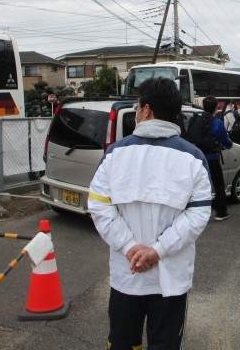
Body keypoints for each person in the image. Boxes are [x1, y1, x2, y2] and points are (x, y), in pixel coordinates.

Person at [88, 77, 212, 350]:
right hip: (171, 277)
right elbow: (198, 214)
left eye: (136, 107)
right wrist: (157, 251)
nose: (136, 112)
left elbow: (98, 205)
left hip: (127, 273)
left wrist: (130, 248)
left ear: (146, 110)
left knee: (122, 342)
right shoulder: (194, 158)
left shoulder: (115, 153)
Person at [201, 95, 234, 221]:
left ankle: (197, 212)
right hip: (211, 158)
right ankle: (221, 212)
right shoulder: (216, 122)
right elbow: (225, 141)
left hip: (197, 158)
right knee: (218, 185)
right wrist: (229, 145)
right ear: (216, 108)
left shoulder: (197, 119)